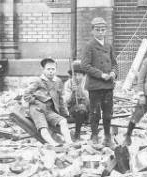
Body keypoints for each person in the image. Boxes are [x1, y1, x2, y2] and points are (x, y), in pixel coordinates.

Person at [76, 14, 118, 147]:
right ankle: (94, 135)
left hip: (108, 86)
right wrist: (101, 75)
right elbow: (85, 65)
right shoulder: (89, 45)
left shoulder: (109, 46)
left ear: (106, 30)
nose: (100, 32)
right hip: (95, 85)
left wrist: (113, 73)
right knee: (95, 112)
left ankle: (107, 137)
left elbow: (115, 64)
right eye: (98, 29)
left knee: (108, 113)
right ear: (92, 31)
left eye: (103, 29)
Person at [24, 58, 72, 146]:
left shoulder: (58, 81)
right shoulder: (37, 81)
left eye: (53, 69)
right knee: (43, 126)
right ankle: (53, 144)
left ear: (56, 70)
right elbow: (26, 95)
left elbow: (60, 98)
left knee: (63, 121)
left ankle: (69, 142)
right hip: (37, 108)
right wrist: (35, 101)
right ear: (43, 70)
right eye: (48, 69)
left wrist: (64, 113)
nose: (51, 71)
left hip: (49, 110)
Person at [63, 70, 90, 141]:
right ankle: (77, 134)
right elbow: (67, 101)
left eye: (79, 75)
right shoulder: (68, 83)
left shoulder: (88, 83)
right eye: (75, 75)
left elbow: (90, 101)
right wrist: (72, 92)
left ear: (84, 75)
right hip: (74, 110)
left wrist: (80, 90)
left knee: (83, 107)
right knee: (80, 109)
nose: (77, 77)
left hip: (88, 110)